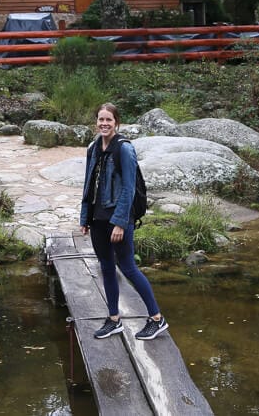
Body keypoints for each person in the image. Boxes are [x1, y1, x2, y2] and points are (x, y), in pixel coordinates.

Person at [79, 102, 168, 341]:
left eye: (109, 120)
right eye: (101, 119)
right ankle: (114, 319)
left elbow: (129, 189)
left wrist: (120, 223)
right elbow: (88, 184)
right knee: (106, 266)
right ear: (96, 122)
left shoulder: (125, 149)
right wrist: (84, 216)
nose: (104, 124)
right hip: (97, 218)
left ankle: (157, 319)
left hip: (118, 219)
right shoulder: (93, 147)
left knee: (128, 267)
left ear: (116, 122)